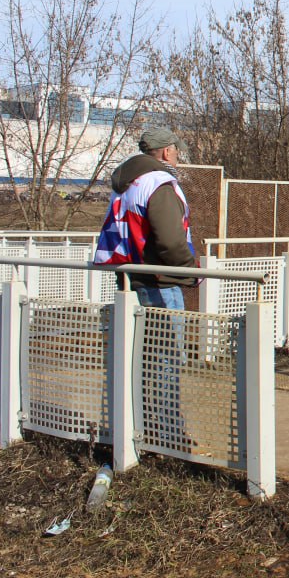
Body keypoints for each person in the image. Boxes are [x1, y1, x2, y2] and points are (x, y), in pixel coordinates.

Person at [94, 127, 198, 450]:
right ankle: (167, 436)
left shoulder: (126, 185)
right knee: (166, 360)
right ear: (166, 152)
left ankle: (141, 427)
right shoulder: (159, 183)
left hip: (131, 281)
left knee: (143, 359)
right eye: (176, 150)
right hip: (159, 284)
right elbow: (169, 240)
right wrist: (190, 270)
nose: (178, 155)